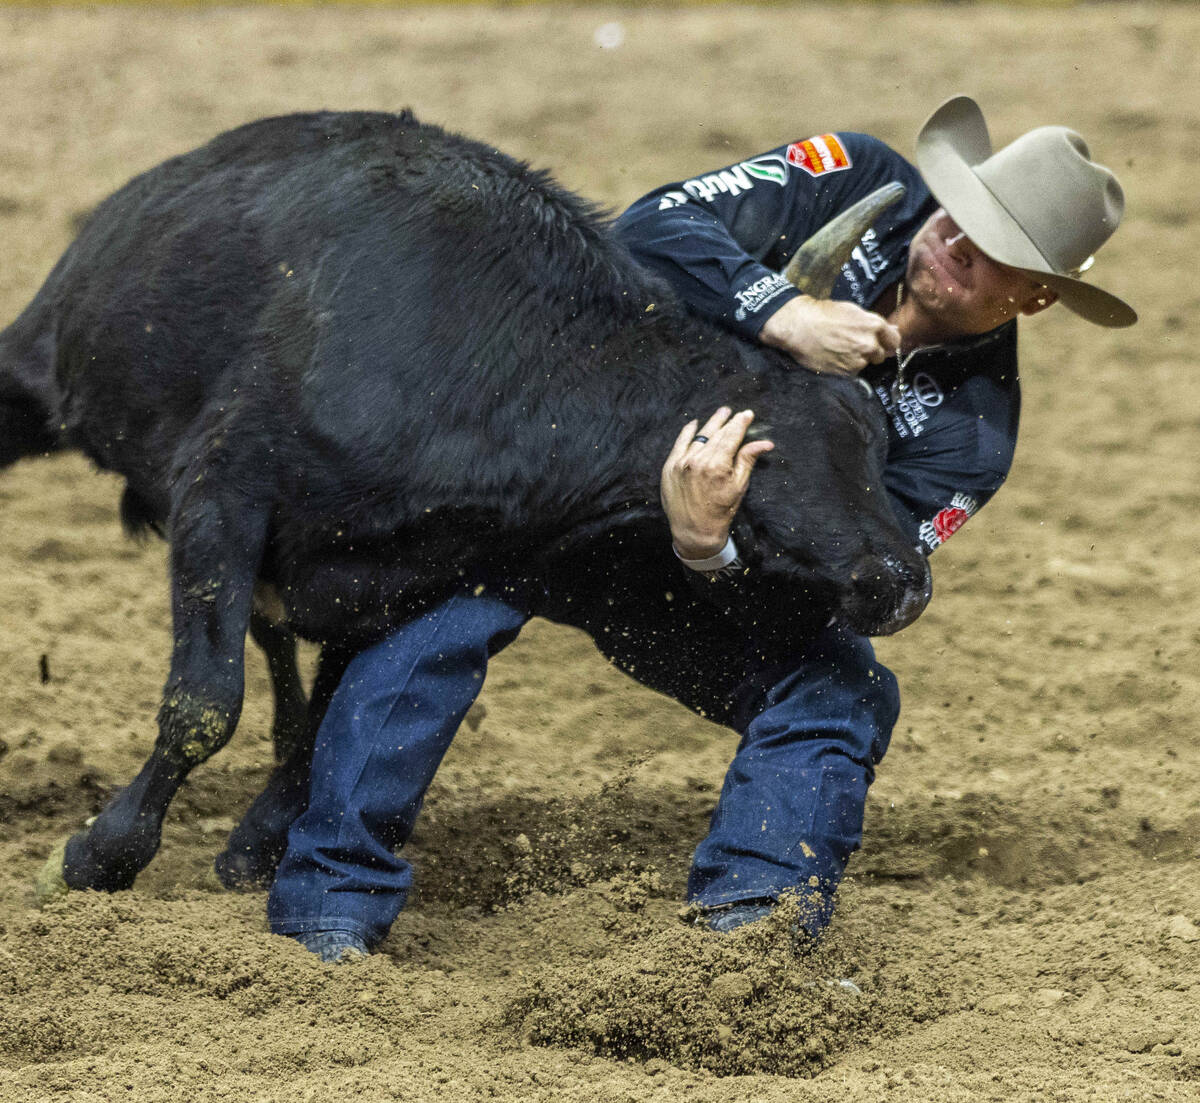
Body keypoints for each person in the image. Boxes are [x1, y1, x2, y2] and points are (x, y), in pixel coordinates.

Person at [265, 95, 1135, 962]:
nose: (956, 242)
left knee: (844, 690)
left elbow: (860, 585)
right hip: (561, 482)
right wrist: (780, 310)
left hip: (690, 580)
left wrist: (705, 546)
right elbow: (651, 227)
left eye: (994, 253)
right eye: (960, 212)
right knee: (445, 601)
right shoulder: (855, 172)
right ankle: (328, 906)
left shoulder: (967, 439)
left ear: (1038, 298)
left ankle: (745, 940)